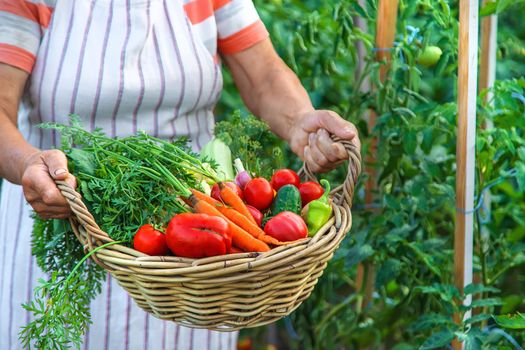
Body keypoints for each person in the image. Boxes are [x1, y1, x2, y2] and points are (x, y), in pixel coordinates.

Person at [0, 0, 360, 349]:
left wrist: (301, 123)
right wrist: (29, 163)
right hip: (65, 225)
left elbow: (263, 76)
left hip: (195, 254)